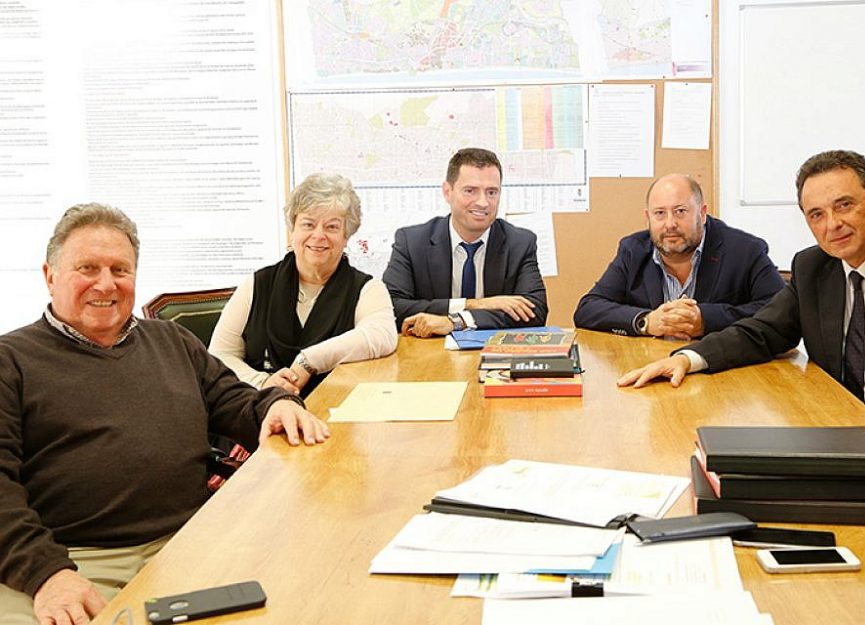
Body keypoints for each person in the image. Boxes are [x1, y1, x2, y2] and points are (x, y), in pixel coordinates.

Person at [0, 204, 329, 624]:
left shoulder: (170, 340)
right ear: (50, 276)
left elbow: (233, 399)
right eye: (87, 268)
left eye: (120, 270)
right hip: (72, 558)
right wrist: (47, 574)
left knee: (311, 597)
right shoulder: (10, 360)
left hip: (189, 539)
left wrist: (276, 404)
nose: (106, 284)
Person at [618, 150, 865, 505]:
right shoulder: (814, 267)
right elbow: (762, 331)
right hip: (846, 447)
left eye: (844, 205)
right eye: (816, 214)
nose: (832, 224)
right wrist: (689, 357)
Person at [210, 173, 397, 397]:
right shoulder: (257, 284)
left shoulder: (367, 289)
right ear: (293, 230)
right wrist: (264, 382)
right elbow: (220, 355)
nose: (318, 235)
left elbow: (381, 336)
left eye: (331, 227)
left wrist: (309, 361)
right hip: (261, 411)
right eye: (308, 224)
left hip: (335, 413)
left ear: (346, 235)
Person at [573, 174, 784, 338]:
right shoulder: (633, 250)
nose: (670, 223)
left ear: (702, 214)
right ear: (648, 218)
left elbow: (781, 312)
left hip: (722, 371)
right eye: (660, 213)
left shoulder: (745, 250)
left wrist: (706, 320)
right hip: (652, 368)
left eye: (680, 211)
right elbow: (588, 309)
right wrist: (645, 321)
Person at [382, 147, 548, 337]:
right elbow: (390, 308)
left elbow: (535, 312)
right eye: (470, 191)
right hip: (428, 357)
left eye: (492, 192)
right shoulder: (412, 242)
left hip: (494, 358)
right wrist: (474, 304)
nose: (483, 202)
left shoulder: (519, 243)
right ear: (447, 192)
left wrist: (457, 321)